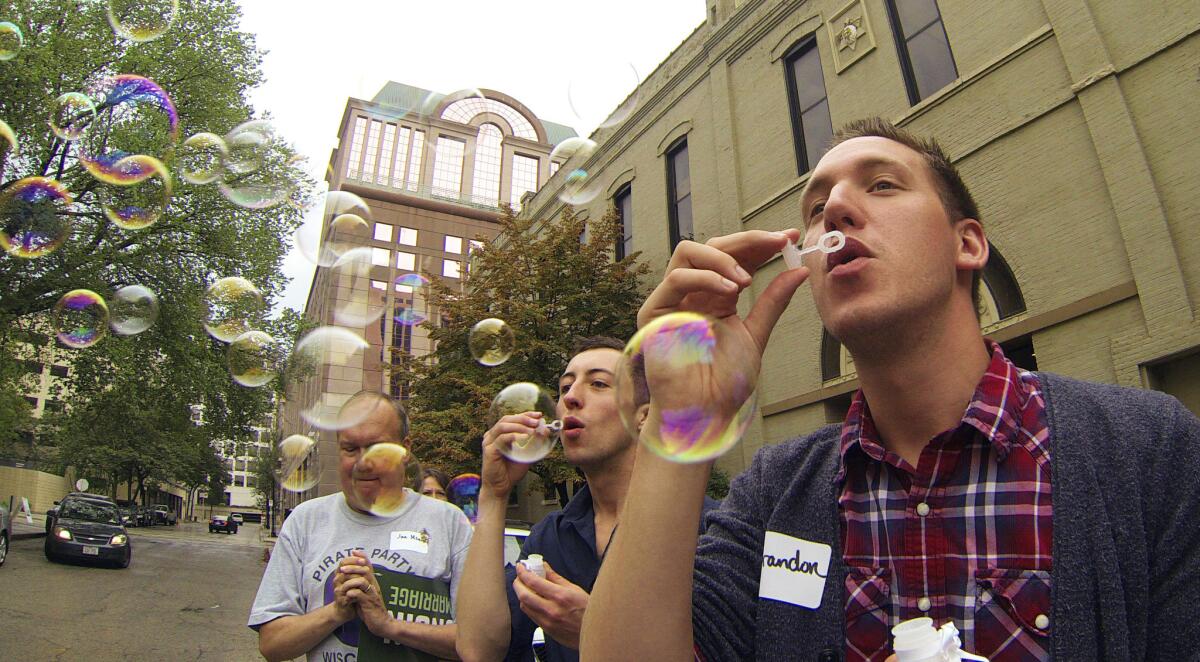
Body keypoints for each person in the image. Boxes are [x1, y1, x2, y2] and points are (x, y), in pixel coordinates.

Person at [581, 118, 1200, 661]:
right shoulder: (775, 495)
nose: (835, 212)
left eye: (881, 185)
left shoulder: (1148, 448)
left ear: (968, 243)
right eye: (817, 206)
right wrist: (684, 412)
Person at [455, 336, 719, 662]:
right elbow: (479, 650)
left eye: (597, 383)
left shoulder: (709, 531)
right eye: (565, 387)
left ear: (645, 416)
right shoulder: (552, 535)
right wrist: (494, 496)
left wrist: (594, 631)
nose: (570, 398)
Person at [249, 391, 473, 662]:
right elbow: (272, 644)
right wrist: (336, 612)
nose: (363, 462)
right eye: (350, 448)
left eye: (376, 448)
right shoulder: (305, 521)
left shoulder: (450, 522)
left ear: (405, 450)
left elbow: (477, 644)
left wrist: (388, 626)